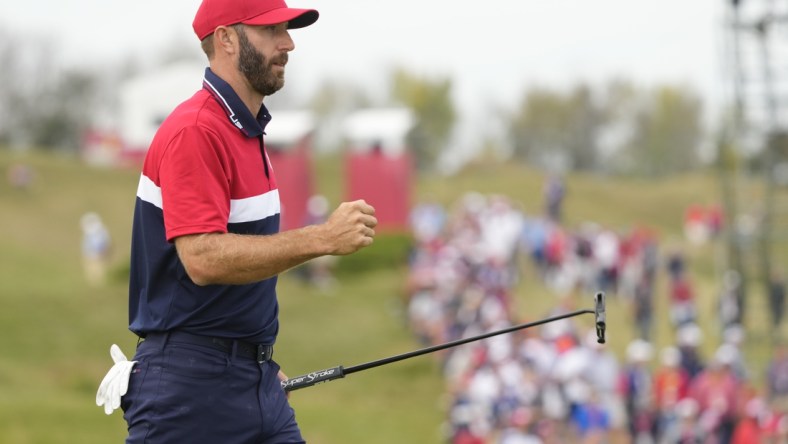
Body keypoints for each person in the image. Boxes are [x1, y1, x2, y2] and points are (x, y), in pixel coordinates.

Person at [96, 1, 378, 442]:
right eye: (271, 31)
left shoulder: (246, 130)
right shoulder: (197, 130)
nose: (288, 43)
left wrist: (253, 361)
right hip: (188, 392)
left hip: (254, 379)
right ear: (226, 39)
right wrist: (322, 238)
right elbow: (203, 257)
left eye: (286, 29)